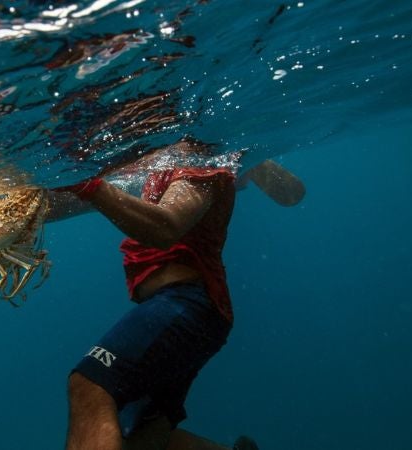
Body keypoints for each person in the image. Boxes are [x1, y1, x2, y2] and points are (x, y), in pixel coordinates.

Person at [54, 138, 268, 450]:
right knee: (144, 436)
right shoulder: (166, 162)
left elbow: (166, 227)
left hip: (189, 304)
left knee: (89, 386)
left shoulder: (201, 159)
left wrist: (89, 184)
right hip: (189, 309)